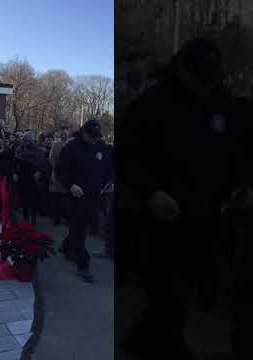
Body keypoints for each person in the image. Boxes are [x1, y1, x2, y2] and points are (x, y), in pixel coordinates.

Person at [117, 38, 250, 359]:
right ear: (183, 70)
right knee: (168, 293)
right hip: (161, 218)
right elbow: (127, 156)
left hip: (207, 215)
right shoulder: (153, 103)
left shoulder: (221, 100)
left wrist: (241, 184)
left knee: (182, 291)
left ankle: (140, 341)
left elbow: (237, 148)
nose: (206, 87)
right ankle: (169, 347)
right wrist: (151, 192)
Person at [57, 119, 112, 283]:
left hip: (95, 196)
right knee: (80, 230)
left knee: (80, 226)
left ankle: (66, 247)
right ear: (84, 133)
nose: (95, 140)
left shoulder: (102, 147)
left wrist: (110, 182)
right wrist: (71, 185)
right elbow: (60, 171)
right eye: (92, 137)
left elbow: (109, 167)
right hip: (77, 196)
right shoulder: (71, 148)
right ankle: (83, 265)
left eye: (97, 137)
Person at [14, 131, 48, 226]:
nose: (26, 142)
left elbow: (42, 164)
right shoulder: (20, 149)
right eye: (25, 140)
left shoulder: (38, 151)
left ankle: (33, 219)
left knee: (34, 200)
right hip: (23, 177)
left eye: (28, 140)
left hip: (33, 178)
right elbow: (15, 162)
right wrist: (15, 173)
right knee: (24, 200)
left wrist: (40, 173)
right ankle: (25, 219)